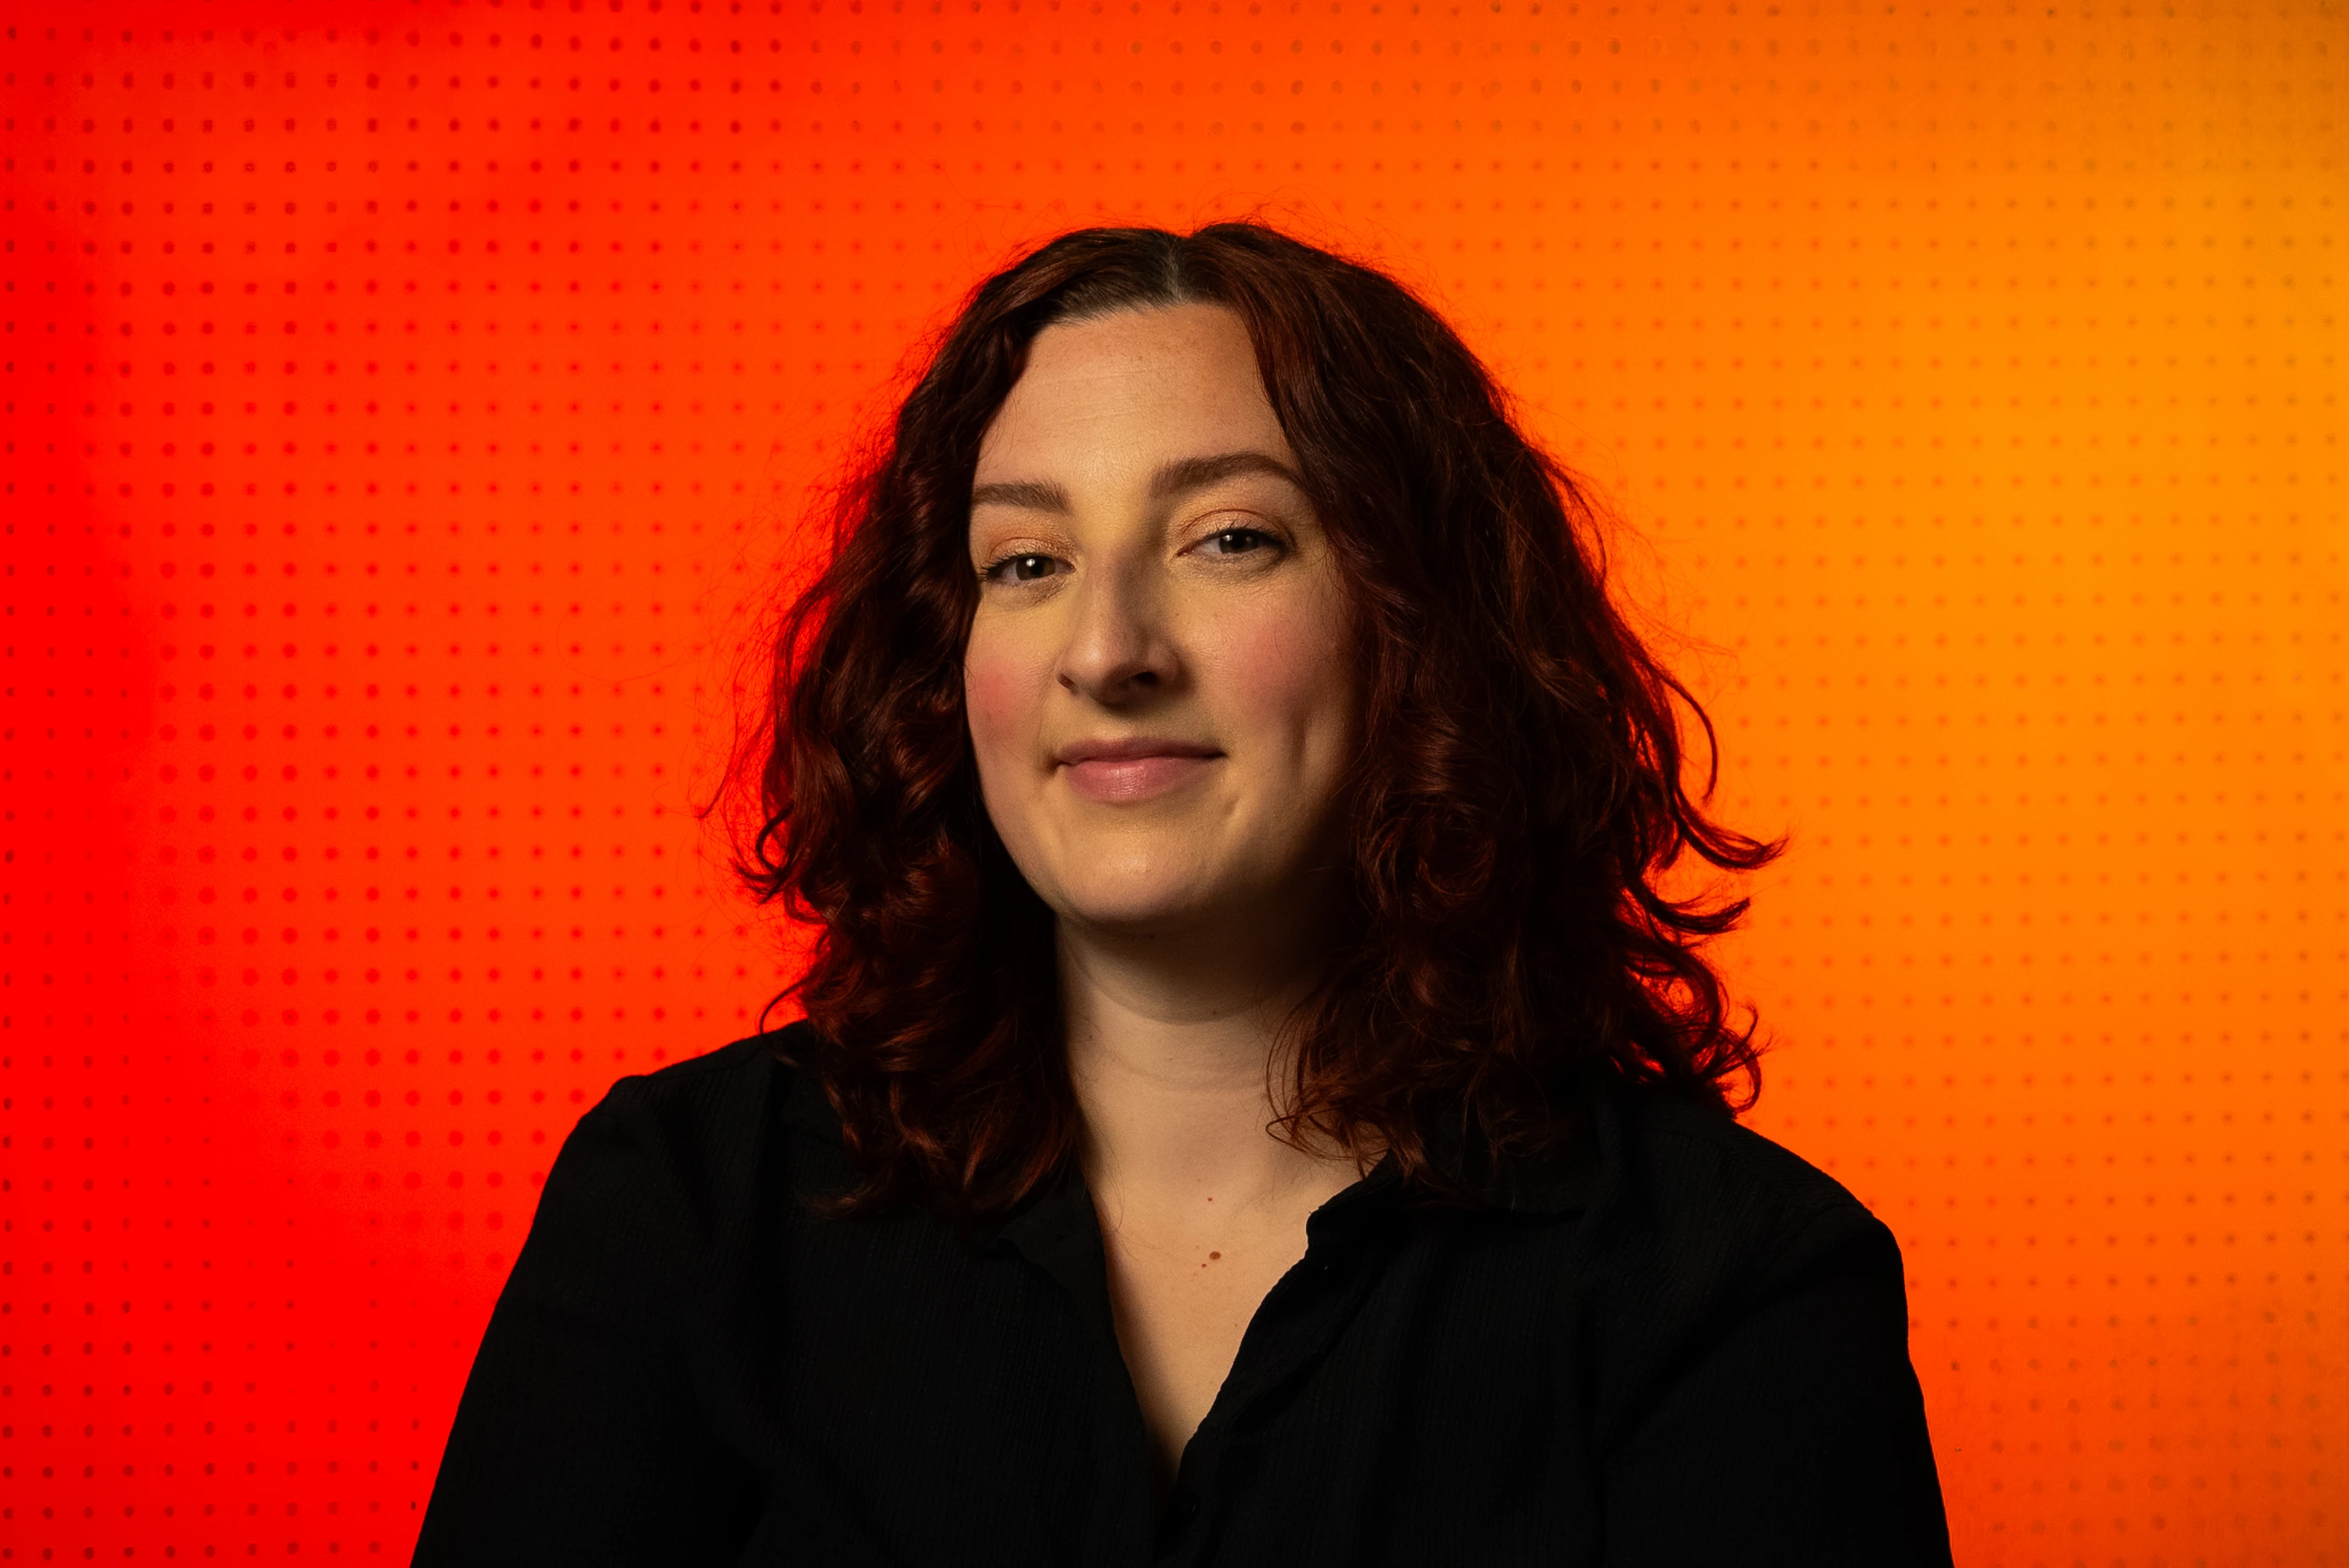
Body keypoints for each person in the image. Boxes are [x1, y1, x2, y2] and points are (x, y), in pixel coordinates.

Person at [412, 221, 1954, 1565]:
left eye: (1229, 539)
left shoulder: (1736, 1288)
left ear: (1423, 629)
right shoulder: (685, 1210)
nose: (1108, 651)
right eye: (1027, 563)